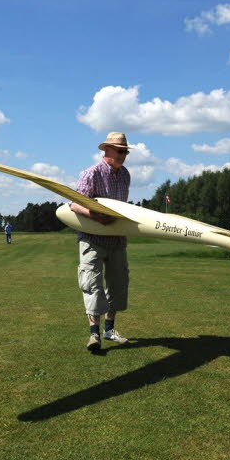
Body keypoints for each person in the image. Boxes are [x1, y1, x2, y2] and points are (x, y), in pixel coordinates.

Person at [70, 132, 132, 352]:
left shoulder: (125, 175)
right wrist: (94, 215)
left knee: (117, 284)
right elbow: (74, 205)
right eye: (120, 150)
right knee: (92, 284)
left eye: (125, 151)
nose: (124, 155)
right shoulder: (92, 173)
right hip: (92, 239)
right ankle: (94, 334)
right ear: (106, 150)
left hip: (117, 239)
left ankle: (109, 329)